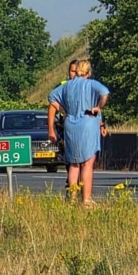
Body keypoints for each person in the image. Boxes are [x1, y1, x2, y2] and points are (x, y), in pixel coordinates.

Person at [47, 60, 109, 206]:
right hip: (88, 122)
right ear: (88, 72)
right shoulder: (91, 83)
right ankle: (86, 199)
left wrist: (63, 110)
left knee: (74, 163)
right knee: (87, 162)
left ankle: (72, 198)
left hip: (70, 123)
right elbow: (105, 92)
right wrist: (98, 107)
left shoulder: (67, 85)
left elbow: (51, 97)